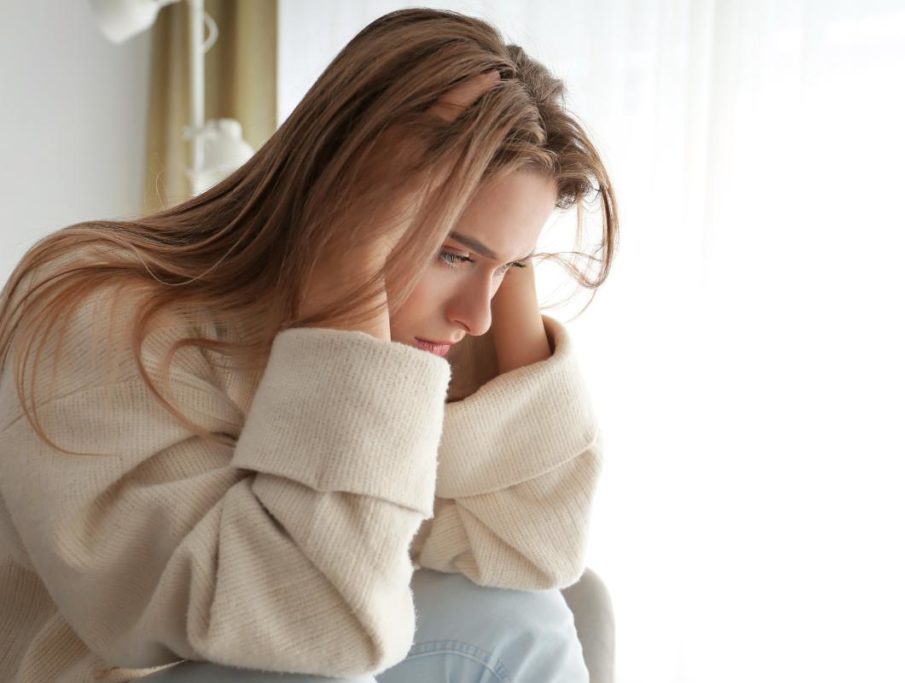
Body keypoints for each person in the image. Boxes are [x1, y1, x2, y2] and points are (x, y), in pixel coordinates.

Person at [0, 7, 618, 683]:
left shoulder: (416, 339)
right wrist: (349, 276)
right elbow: (317, 618)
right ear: (350, 197)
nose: (476, 316)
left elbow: (537, 541)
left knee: (522, 614)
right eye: (452, 253)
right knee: (349, 650)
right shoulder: (103, 311)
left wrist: (508, 235)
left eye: (508, 270)